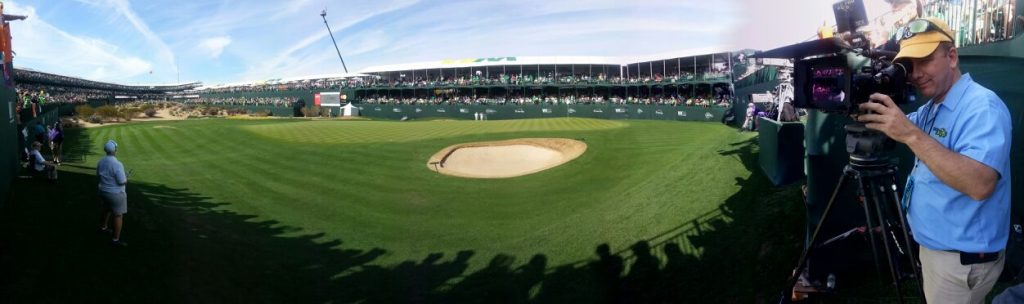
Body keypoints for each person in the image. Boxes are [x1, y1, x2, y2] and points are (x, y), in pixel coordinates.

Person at [856, 18, 1011, 303]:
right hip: (938, 250)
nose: (915, 74)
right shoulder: (932, 107)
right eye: (909, 65)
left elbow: (980, 184)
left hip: (960, 261)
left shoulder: (982, 107)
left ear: (951, 57)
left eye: (924, 60)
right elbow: (897, 131)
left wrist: (910, 135)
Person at [97, 140, 129, 247]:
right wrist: (126, 177)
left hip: (103, 191)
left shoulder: (101, 161)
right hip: (115, 194)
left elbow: (98, 174)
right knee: (118, 215)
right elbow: (121, 181)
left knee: (106, 209)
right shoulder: (117, 164)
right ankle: (115, 240)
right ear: (115, 150)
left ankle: (103, 227)